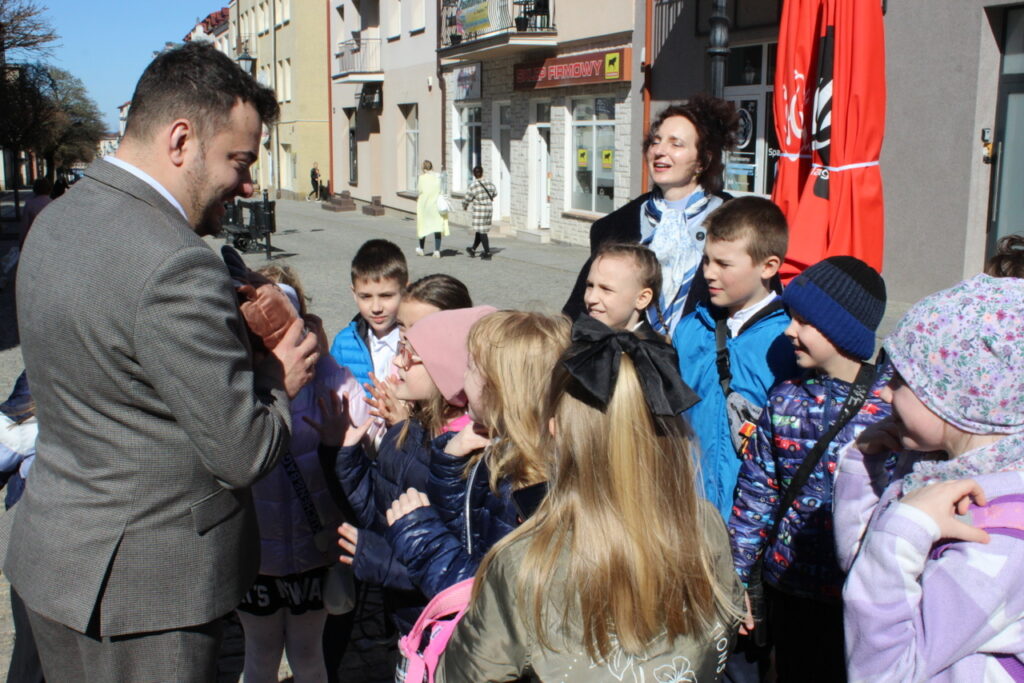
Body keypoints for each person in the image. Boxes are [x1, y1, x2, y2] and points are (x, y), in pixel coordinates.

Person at [7, 41, 320, 680]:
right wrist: (275, 375)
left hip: (54, 562)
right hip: (145, 597)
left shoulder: (59, 218)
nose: (249, 183)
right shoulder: (174, 261)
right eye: (239, 159)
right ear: (181, 140)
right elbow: (243, 453)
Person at [438, 317, 741, 681]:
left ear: (556, 432)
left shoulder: (526, 562)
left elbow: (465, 674)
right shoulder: (704, 523)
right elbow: (727, 624)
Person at [834, 274, 1024, 681]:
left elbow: (884, 673)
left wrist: (905, 526)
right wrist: (861, 467)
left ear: (960, 395)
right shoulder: (929, 466)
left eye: (903, 380)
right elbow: (864, 567)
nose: (884, 392)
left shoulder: (1001, 537)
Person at [728, 256, 891, 682]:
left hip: (857, 597)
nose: (788, 331)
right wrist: (739, 579)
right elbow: (756, 497)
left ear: (841, 331)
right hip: (789, 588)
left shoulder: (890, 411)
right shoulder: (785, 399)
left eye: (803, 322)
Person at [325, 306, 494, 635]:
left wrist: (379, 558)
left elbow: (454, 566)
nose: (397, 362)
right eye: (400, 348)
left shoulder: (464, 456)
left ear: (446, 369)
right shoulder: (411, 429)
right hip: (408, 619)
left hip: (442, 624)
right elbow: (380, 506)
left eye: (411, 355)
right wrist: (346, 454)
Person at [236, 267, 368, 683]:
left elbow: (367, 444)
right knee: (261, 655)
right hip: (257, 555)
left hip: (311, 550)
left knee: (307, 655)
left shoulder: (330, 378)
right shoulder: (239, 384)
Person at [386, 311, 572, 599]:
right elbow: (468, 531)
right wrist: (450, 463)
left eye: (471, 368)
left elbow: (489, 597)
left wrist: (422, 538)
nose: (461, 375)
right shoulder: (503, 450)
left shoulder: (530, 487)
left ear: (500, 388)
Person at [564, 96, 740, 335]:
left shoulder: (737, 220)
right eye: (656, 141)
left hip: (702, 362)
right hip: (628, 358)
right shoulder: (614, 226)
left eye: (676, 144)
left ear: (702, 160)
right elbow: (580, 309)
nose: (659, 151)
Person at [673, 196, 797, 520]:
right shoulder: (689, 330)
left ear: (768, 266)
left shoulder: (790, 342)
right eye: (706, 261)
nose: (709, 274)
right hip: (687, 510)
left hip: (750, 525)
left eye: (724, 264)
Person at [329, 239, 408, 394]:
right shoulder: (343, 343)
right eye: (365, 296)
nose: (376, 308)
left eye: (386, 296)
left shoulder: (416, 342)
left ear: (405, 291)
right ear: (354, 293)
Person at [584, 241, 663, 338]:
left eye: (606, 289)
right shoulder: (578, 339)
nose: (591, 298)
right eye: (590, 285)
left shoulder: (651, 351)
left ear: (642, 298)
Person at [415, 160, 449, 259]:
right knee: (437, 228)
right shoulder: (438, 177)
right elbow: (442, 190)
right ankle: (437, 251)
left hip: (425, 207)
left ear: (423, 168)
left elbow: (420, 190)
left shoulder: (421, 178)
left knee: (422, 227)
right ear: (432, 167)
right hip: (435, 206)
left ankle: (421, 248)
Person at [462, 166, 497, 260]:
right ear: (482, 172)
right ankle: (473, 249)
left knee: (482, 231)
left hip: (479, 210)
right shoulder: (489, 183)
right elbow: (495, 193)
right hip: (489, 209)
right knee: (480, 229)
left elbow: (467, 199)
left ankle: (487, 252)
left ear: (474, 174)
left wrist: (464, 206)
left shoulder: (473, 185)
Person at [18, 178, 52, 250]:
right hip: (50, 240)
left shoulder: (30, 204)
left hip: (34, 241)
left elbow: (25, 226)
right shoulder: (54, 203)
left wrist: (21, 243)